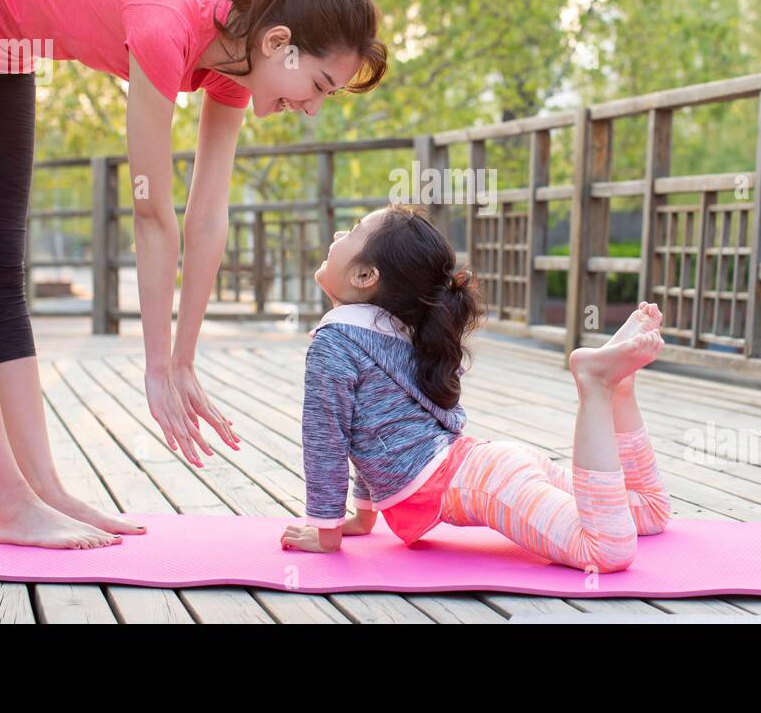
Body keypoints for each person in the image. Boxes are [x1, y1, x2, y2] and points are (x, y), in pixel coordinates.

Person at [0, 0, 387, 548]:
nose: (312, 108)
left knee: (3, 276)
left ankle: (42, 489)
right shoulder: (168, 25)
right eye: (318, 85)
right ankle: (8, 503)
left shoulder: (234, 60)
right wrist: (154, 368)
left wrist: (182, 361)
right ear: (279, 42)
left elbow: (205, 217)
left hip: (9, 44)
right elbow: (151, 210)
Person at [282, 204, 672, 573]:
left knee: (605, 549)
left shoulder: (336, 342)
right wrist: (361, 518)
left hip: (485, 482)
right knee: (645, 511)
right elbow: (370, 431)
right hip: (490, 464)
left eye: (351, 232)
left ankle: (597, 384)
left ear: (365, 276)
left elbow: (327, 439)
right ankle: (619, 385)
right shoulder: (388, 330)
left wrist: (326, 532)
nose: (337, 233)